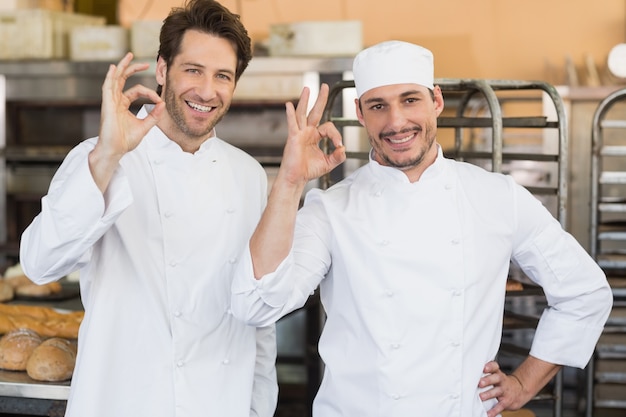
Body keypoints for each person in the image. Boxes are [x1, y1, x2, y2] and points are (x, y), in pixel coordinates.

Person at [230, 40, 613, 417]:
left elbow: (585, 292)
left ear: (437, 101)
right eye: (378, 106)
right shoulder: (331, 210)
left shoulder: (498, 197)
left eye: (410, 100)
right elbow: (257, 305)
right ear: (361, 114)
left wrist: (524, 383)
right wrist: (291, 181)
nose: (396, 122)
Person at [19, 1, 278, 416]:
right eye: (193, 70)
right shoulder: (98, 157)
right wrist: (108, 154)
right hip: (120, 401)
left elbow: (259, 323)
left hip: (218, 403)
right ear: (162, 70)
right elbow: (39, 264)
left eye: (222, 76)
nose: (207, 91)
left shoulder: (249, 175)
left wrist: (257, 409)